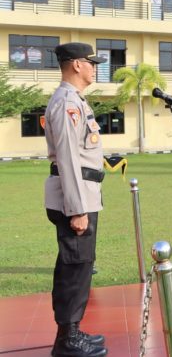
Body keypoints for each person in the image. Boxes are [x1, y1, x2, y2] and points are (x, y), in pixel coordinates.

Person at [44, 42, 108, 357]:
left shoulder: (76, 102)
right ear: (76, 65)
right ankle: (68, 341)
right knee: (75, 268)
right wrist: (77, 209)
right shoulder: (66, 102)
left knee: (78, 266)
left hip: (83, 194)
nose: (95, 68)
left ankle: (72, 332)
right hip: (76, 200)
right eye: (91, 62)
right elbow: (68, 159)